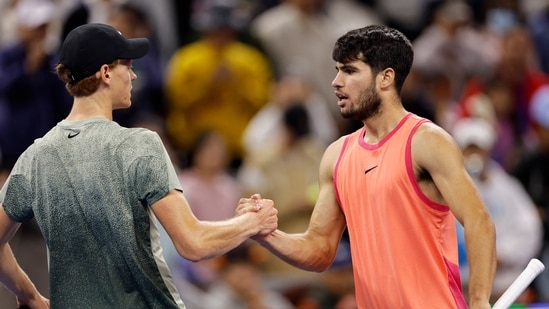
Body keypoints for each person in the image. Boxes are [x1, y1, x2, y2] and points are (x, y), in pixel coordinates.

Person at [0, 23, 278, 309]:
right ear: (106, 72)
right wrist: (252, 222)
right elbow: (194, 243)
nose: (133, 75)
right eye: (128, 66)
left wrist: (29, 294)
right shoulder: (139, 145)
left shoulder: (36, 156)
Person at [238, 24, 496, 308]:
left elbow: (478, 221)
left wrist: (480, 300)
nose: (336, 81)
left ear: (385, 78)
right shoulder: (336, 155)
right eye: (337, 70)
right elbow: (319, 249)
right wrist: (265, 233)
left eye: (349, 71)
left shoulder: (426, 142)